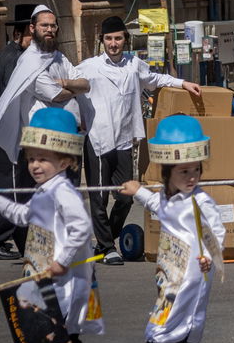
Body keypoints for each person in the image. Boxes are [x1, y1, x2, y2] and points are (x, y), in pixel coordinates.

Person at [0, 107, 103, 343]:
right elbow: (24, 216)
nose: (35, 165)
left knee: (37, 331)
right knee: (65, 338)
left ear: (65, 161)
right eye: (32, 158)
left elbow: (81, 227)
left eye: (43, 159)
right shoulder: (45, 191)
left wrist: (62, 260)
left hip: (62, 277)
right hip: (45, 275)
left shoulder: (63, 192)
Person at [119, 115, 227, 343]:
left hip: (190, 277)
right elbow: (159, 206)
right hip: (170, 275)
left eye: (196, 170)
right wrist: (138, 191)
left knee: (158, 332)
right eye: (184, 171)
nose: (192, 177)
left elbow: (217, 232)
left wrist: (209, 258)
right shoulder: (169, 196)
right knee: (178, 337)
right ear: (167, 172)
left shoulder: (200, 201)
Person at [74, 16, 201, 265]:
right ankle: (107, 248)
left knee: (125, 196)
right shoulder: (88, 67)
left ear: (125, 40)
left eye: (118, 38)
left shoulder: (134, 64)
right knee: (99, 198)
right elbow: (69, 88)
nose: (113, 44)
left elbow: (155, 79)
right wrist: (78, 119)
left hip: (123, 140)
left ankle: (105, 239)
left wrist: (183, 83)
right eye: (109, 39)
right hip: (98, 140)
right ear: (102, 41)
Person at [0, 6, 88, 260]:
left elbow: (86, 83)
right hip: (42, 139)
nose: (49, 30)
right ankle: (38, 247)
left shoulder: (59, 57)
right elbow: (54, 94)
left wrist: (67, 83)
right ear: (32, 28)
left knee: (65, 192)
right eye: (44, 25)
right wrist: (71, 89)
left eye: (52, 25)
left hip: (66, 138)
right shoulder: (29, 61)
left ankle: (57, 245)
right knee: (38, 193)